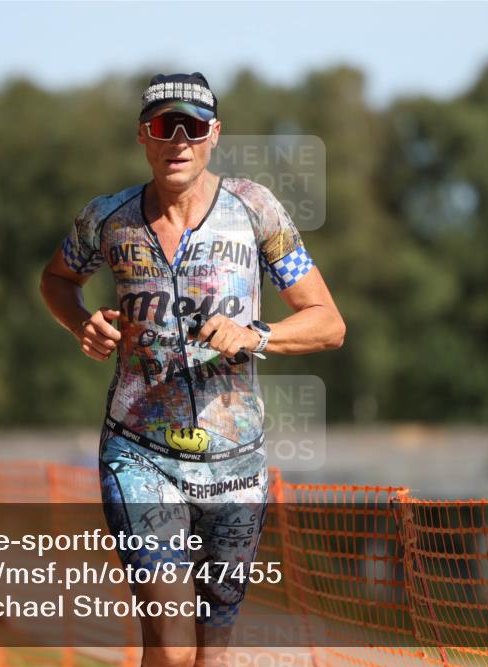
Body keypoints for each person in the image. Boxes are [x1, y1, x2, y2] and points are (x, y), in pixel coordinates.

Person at [40, 72, 345, 667]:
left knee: (211, 653)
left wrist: (256, 334)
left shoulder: (255, 210)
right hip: (140, 453)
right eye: (164, 126)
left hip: (236, 464)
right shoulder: (108, 218)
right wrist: (80, 323)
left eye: (193, 127)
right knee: (172, 644)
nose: (178, 141)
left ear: (214, 135)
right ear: (143, 136)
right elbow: (56, 278)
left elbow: (328, 322)